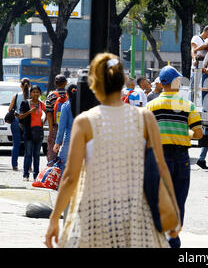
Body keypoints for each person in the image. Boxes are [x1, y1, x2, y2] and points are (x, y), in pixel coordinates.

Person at [45, 53, 177, 248]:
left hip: (93, 217)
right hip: (135, 216)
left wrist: (54, 219)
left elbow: (70, 177)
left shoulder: (84, 122)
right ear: (121, 81)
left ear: (95, 84)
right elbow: (161, 168)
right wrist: (172, 211)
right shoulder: (145, 118)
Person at [147, 65, 203, 248]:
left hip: (158, 157)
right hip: (181, 157)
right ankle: (174, 239)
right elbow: (199, 133)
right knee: (178, 199)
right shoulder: (187, 105)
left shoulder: (151, 106)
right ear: (174, 82)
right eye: (178, 79)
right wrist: (186, 133)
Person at [19, 85, 46, 181]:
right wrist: (30, 111)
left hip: (39, 131)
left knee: (37, 155)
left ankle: (36, 176)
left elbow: (47, 113)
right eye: (33, 92)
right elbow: (21, 117)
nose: (35, 94)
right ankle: (25, 175)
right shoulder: (25, 103)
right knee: (28, 154)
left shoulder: (41, 104)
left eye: (37, 92)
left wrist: (43, 122)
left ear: (40, 93)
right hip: (29, 132)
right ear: (31, 93)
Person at [53, 84, 77, 176]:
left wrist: (58, 142)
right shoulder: (83, 106)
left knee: (62, 164)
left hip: (69, 139)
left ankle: (62, 187)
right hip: (82, 139)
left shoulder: (66, 106)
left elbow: (61, 127)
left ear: (67, 94)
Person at [8, 78, 30, 171]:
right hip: (28, 121)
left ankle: (14, 165)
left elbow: (10, 109)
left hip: (16, 120)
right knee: (28, 145)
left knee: (16, 144)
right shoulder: (33, 96)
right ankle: (28, 166)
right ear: (29, 86)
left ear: (21, 86)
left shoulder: (16, 95)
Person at [45, 74, 68, 163]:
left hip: (55, 127)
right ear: (65, 83)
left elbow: (49, 114)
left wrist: (51, 129)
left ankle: (52, 171)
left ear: (55, 83)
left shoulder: (51, 96)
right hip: (67, 128)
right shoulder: (69, 95)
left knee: (52, 151)